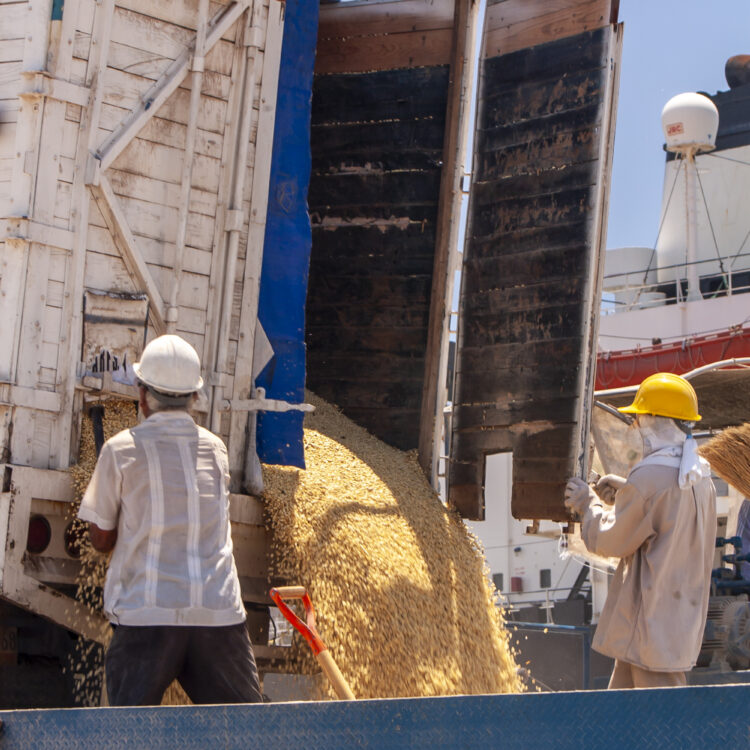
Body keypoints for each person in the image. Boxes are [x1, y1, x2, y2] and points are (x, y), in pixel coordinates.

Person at [78, 334, 263, 706]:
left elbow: (100, 539)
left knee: (131, 735)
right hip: (217, 614)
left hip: (147, 618)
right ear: (195, 398)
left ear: (143, 396)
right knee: (245, 732)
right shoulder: (216, 450)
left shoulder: (120, 449)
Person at [564, 372, 716, 689]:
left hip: (650, 626)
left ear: (655, 420)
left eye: (639, 418)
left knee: (662, 729)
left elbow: (610, 539)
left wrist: (587, 503)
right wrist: (626, 493)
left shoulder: (649, 476)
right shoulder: (699, 476)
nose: (635, 426)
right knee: (621, 725)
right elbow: (664, 515)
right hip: (671, 625)